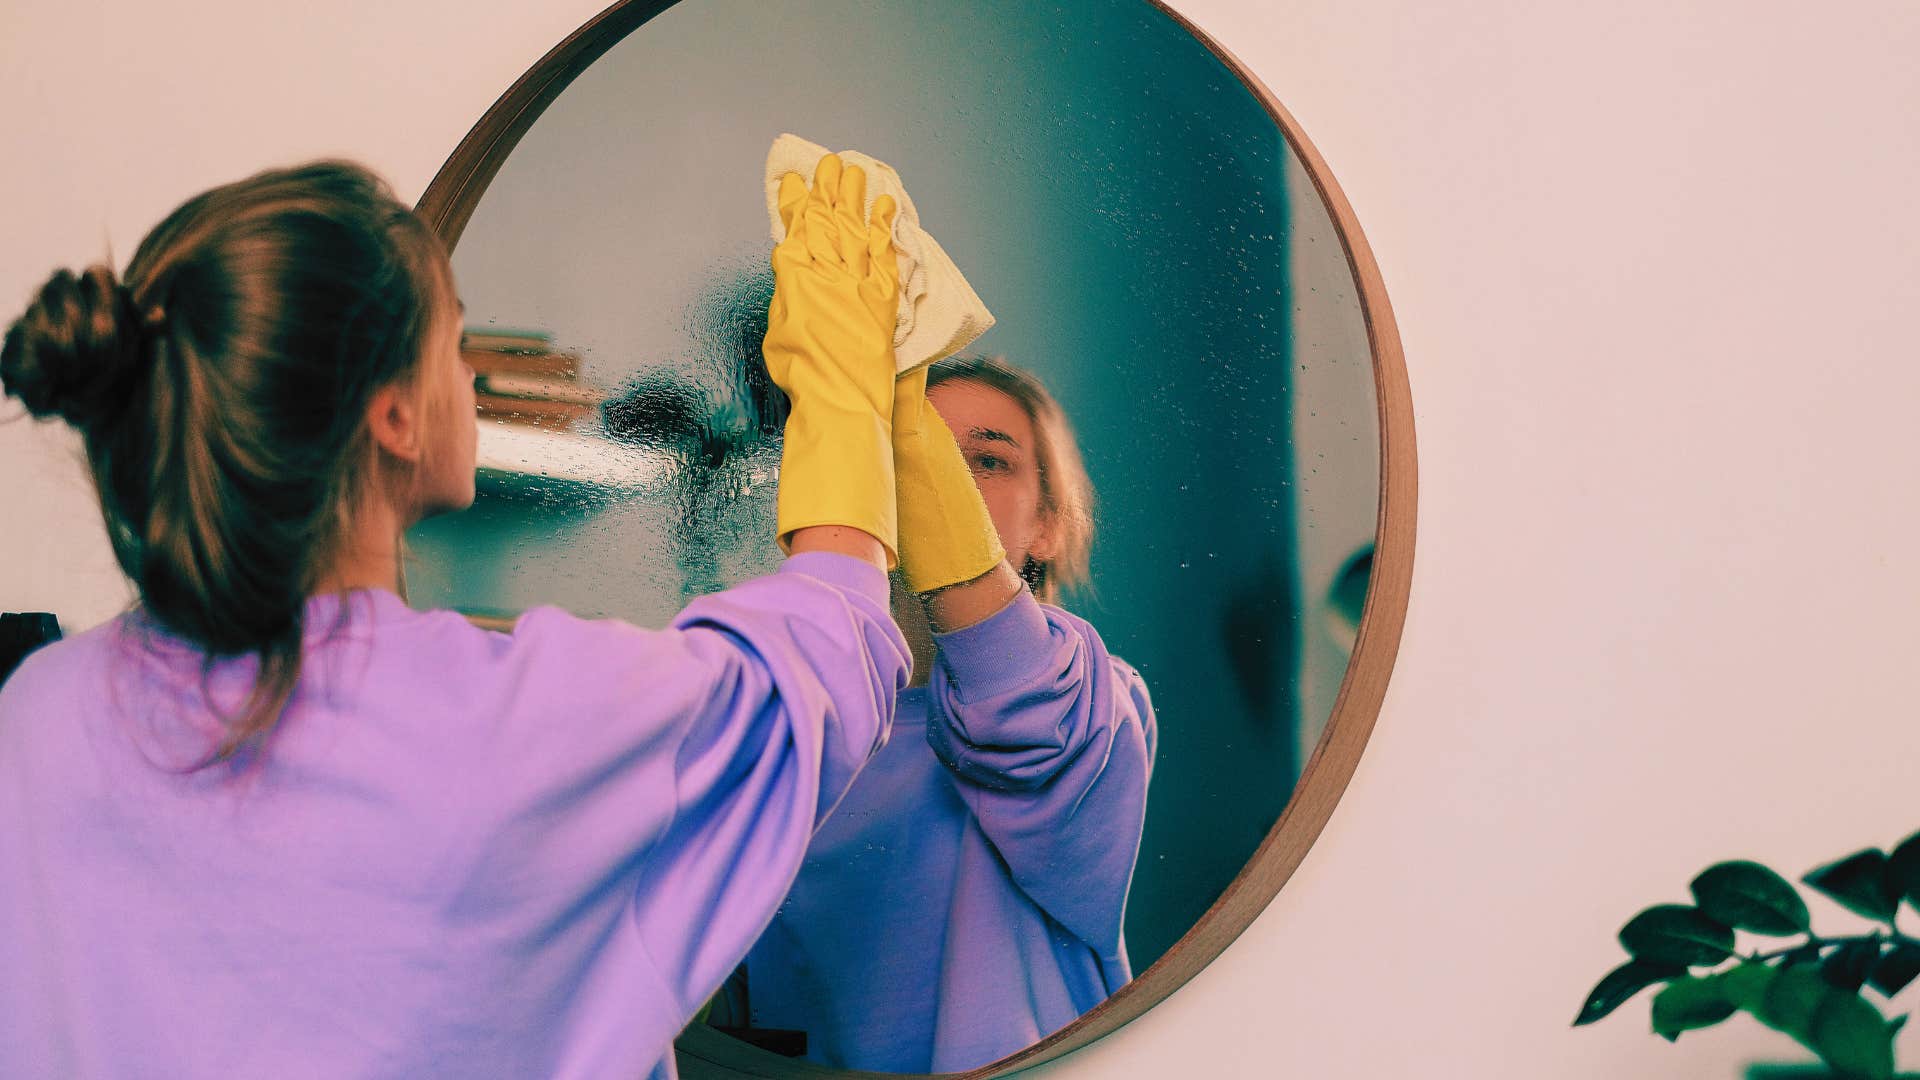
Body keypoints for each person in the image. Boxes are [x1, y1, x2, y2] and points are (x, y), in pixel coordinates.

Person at [0, 156, 912, 1080]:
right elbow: (816, 669)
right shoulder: (527, 722)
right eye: (455, 343)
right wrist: (843, 390)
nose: (470, 379)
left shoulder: (36, 716)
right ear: (396, 415)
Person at [724, 354, 1159, 1073]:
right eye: (912, 454)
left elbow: (1019, 714)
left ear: (1047, 524)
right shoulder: (792, 719)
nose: (946, 484)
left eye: (987, 461)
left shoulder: (1097, 700)